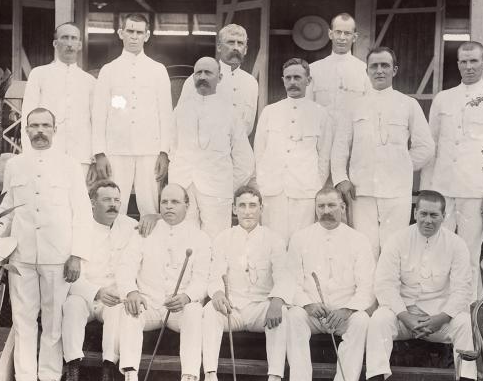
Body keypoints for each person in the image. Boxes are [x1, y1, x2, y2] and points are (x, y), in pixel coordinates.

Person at [0, 107, 91, 381]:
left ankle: (50, 375)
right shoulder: (14, 165)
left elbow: (82, 213)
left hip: (58, 255)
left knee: (53, 319)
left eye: (45, 126)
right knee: (23, 316)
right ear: (26, 131)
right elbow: (6, 210)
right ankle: (25, 376)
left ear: (54, 130)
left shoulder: (69, 165)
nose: (39, 131)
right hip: (22, 254)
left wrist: (76, 254)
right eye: (34, 126)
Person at [359, 190, 476, 381]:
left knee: (464, 323)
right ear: (415, 213)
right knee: (379, 319)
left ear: (444, 216)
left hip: (438, 320)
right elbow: (385, 284)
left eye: (434, 215)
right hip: (403, 317)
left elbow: (463, 290)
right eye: (423, 214)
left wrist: (441, 319)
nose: (427, 220)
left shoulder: (456, 245)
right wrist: (405, 317)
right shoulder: (398, 240)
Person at [420, 41, 483, 300]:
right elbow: (431, 147)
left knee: (469, 256)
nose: (469, 66)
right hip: (443, 190)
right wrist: (428, 191)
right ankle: (440, 314)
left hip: (475, 191)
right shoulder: (443, 99)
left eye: (474, 61)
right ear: (458, 64)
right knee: (439, 253)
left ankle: (469, 315)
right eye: (464, 61)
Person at [114, 183, 211, 381]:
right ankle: (130, 380)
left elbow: (202, 279)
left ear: (187, 206)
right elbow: (126, 266)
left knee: (195, 311)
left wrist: (187, 296)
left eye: (175, 202)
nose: (169, 206)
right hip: (149, 305)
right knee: (129, 310)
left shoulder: (200, 238)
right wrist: (131, 291)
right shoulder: (144, 233)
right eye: (164, 202)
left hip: (179, 310)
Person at [332, 47, 434, 258]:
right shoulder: (353, 106)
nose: (379, 71)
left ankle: (388, 292)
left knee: (393, 248)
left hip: (396, 190)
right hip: (361, 189)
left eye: (385, 65)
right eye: (374, 66)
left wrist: (402, 166)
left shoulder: (408, 104)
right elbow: (340, 146)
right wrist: (341, 178)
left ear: (394, 70)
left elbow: (425, 146)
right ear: (367, 71)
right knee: (365, 248)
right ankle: (368, 292)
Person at [202, 185, 294, 381]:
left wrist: (277, 300)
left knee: (281, 312)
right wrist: (216, 294)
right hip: (231, 308)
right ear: (234, 209)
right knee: (208, 311)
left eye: (253, 205)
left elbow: (284, 276)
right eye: (242, 206)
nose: (247, 211)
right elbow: (214, 274)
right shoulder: (223, 238)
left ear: (261, 209)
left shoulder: (274, 239)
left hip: (260, 308)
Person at [286, 186, 375, 381]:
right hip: (313, 313)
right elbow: (291, 281)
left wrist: (347, 310)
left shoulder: (359, 240)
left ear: (343, 208)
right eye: (321, 206)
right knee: (293, 316)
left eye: (332, 205)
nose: (326, 211)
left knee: (362, 320)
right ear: (315, 209)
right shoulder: (300, 239)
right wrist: (307, 304)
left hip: (344, 314)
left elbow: (367, 286)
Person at [60, 179, 139, 381]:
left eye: (116, 200)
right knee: (72, 306)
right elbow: (70, 276)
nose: (113, 205)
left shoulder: (130, 226)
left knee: (118, 309)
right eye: (106, 200)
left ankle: (108, 373)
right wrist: (96, 291)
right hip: (85, 293)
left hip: (113, 296)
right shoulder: (78, 228)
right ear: (92, 203)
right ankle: (72, 374)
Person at [91, 13, 173, 217]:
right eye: (130, 31)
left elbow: (165, 113)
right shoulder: (109, 71)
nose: (134, 36)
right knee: (114, 205)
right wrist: (99, 153)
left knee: (151, 207)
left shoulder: (158, 70)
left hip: (150, 150)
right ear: (121, 33)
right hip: (116, 149)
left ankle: (151, 248)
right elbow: (99, 114)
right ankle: (115, 249)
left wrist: (164, 152)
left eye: (139, 32)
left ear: (147, 36)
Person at [169, 56, 254, 239]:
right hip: (184, 186)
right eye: (198, 73)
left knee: (217, 241)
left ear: (219, 78)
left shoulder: (230, 113)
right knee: (184, 239)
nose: (202, 77)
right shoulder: (180, 111)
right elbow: (172, 150)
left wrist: (227, 187)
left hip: (217, 190)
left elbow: (244, 159)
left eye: (208, 73)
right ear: (193, 78)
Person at [254, 58, 331, 242]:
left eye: (297, 77)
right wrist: (264, 182)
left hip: (304, 190)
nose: (293, 82)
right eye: (288, 78)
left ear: (308, 80)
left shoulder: (320, 114)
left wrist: (314, 184)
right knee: (273, 243)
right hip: (273, 191)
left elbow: (324, 156)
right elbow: (259, 152)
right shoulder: (269, 111)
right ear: (283, 80)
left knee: (301, 243)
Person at [20, 23, 96, 173]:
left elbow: (95, 121)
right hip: (46, 151)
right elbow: (27, 116)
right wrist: (29, 152)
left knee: (77, 196)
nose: (69, 43)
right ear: (55, 43)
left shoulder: (90, 81)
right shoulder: (39, 74)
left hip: (80, 155)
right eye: (64, 38)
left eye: (73, 39)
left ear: (80, 45)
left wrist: (93, 157)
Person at [179, 23, 258, 136]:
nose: (236, 47)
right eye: (231, 42)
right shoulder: (197, 79)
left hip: (238, 149)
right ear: (219, 46)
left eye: (240, 43)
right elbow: (180, 118)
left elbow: (248, 125)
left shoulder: (251, 82)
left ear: (245, 50)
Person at [306, 13, 370, 127]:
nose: (342, 38)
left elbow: (369, 110)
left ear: (354, 37)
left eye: (347, 33)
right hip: (322, 135)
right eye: (338, 32)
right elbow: (307, 108)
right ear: (330, 34)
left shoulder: (364, 70)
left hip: (352, 137)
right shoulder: (313, 69)